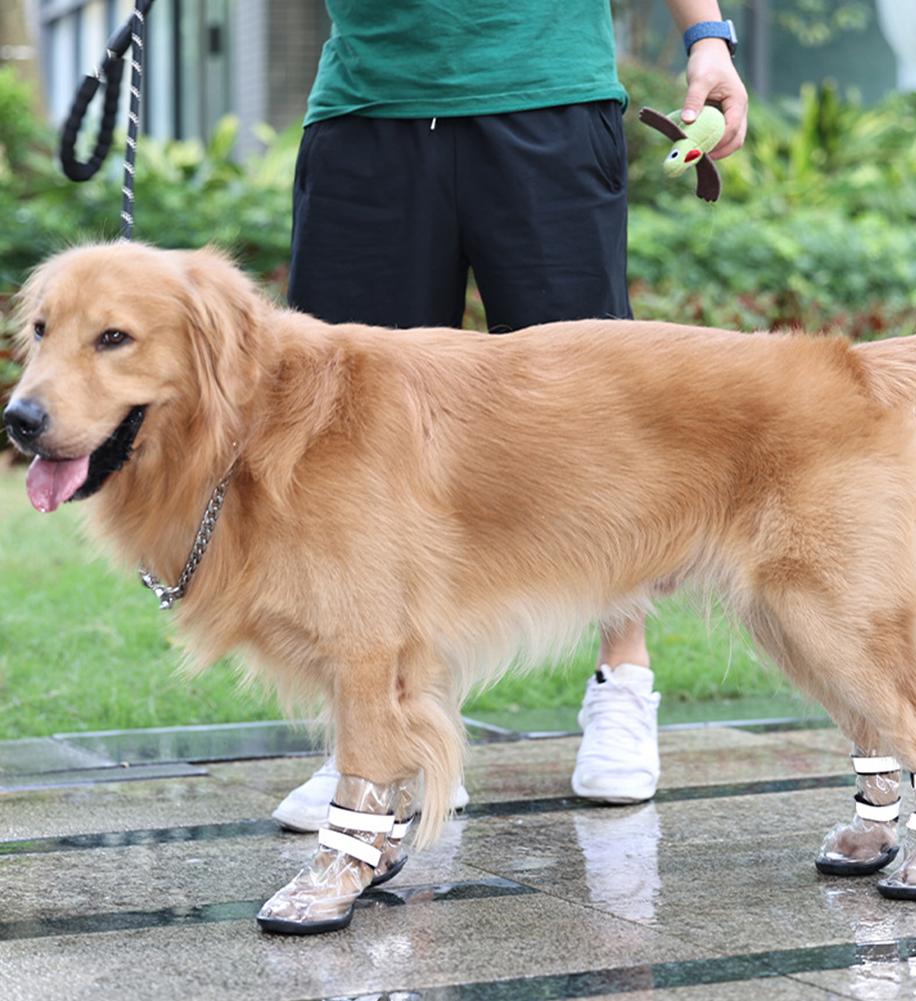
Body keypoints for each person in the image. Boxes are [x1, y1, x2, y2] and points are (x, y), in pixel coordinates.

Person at [271, 0, 749, 833]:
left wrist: (707, 36)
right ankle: (381, 733)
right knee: (345, 438)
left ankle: (622, 680)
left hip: (546, 103)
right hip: (369, 111)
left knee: (592, 421)